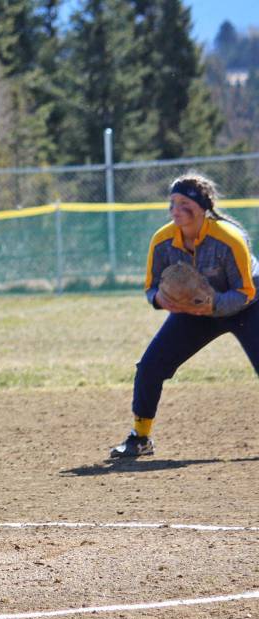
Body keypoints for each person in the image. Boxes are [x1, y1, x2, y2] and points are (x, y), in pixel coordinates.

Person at [110, 172, 259, 458]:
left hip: (249, 307)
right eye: (173, 203)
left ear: (203, 207)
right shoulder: (163, 240)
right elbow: (150, 288)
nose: (176, 210)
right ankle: (140, 438)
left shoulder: (229, 239)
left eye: (184, 204)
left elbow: (246, 292)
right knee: (150, 366)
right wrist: (160, 299)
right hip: (194, 311)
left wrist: (213, 306)